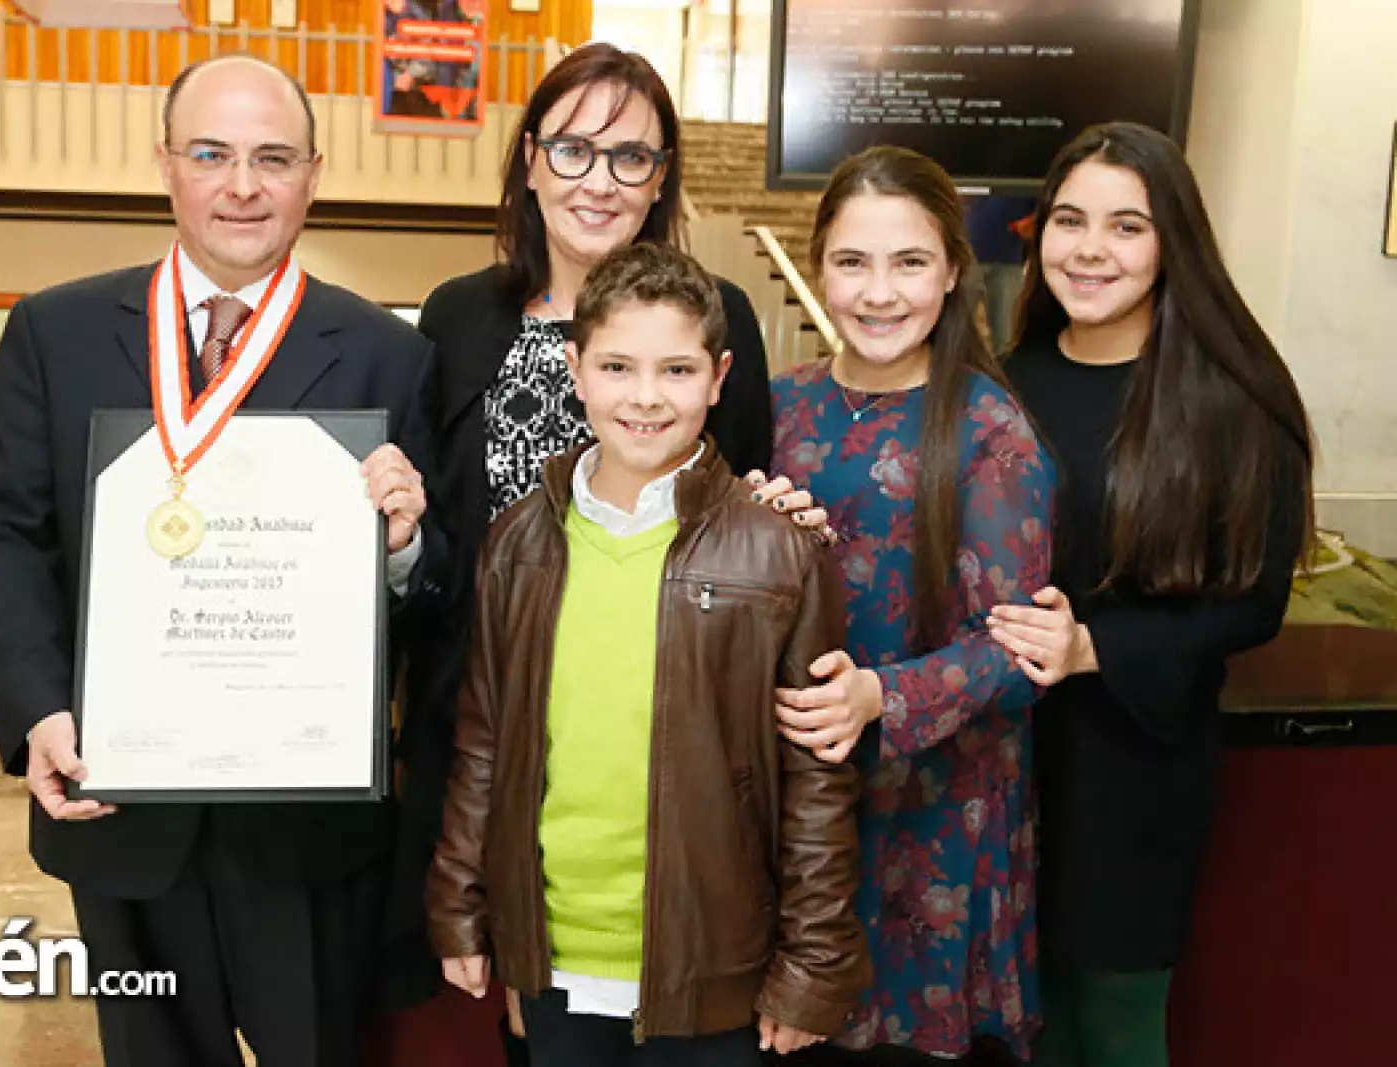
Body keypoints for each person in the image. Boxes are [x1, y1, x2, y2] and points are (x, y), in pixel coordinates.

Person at [0, 54, 446, 1067]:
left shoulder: (388, 352)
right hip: (120, 798)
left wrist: (401, 551)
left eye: (272, 157)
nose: (242, 185)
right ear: (165, 163)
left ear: (314, 172)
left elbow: (433, 587)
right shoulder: (57, 329)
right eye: (212, 154)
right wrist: (40, 708)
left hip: (304, 827)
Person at [395, 41, 774, 1051]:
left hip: (661, 746)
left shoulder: (720, 315)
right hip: (490, 731)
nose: (598, 181)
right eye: (572, 149)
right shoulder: (458, 315)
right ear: (526, 161)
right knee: (540, 1020)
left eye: (631, 158)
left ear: (661, 181)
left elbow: (744, 510)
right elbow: (430, 534)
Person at [426, 242, 870, 1067]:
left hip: (715, 961)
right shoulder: (518, 543)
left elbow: (816, 785)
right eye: (618, 366)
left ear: (719, 374)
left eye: (675, 370)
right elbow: (483, 743)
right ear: (577, 369)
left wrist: (813, 965)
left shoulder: (781, 552)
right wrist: (461, 902)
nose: (644, 396)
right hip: (555, 956)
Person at [990, 122, 1313, 1067]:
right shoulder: (1000, 387)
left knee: (1118, 1022)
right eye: (1070, 220)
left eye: (1126, 227)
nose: (1090, 249)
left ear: (1174, 243)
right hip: (1003, 763)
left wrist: (1094, 645)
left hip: (1136, 764)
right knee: (1024, 1025)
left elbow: (1255, 608)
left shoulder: (1235, 399)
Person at [760, 146, 1055, 1063]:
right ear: (819, 269)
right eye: (852, 262)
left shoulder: (990, 429)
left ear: (954, 271)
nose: (878, 292)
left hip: (934, 823)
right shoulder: (777, 409)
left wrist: (876, 698)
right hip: (793, 812)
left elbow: (1016, 652)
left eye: (909, 262)